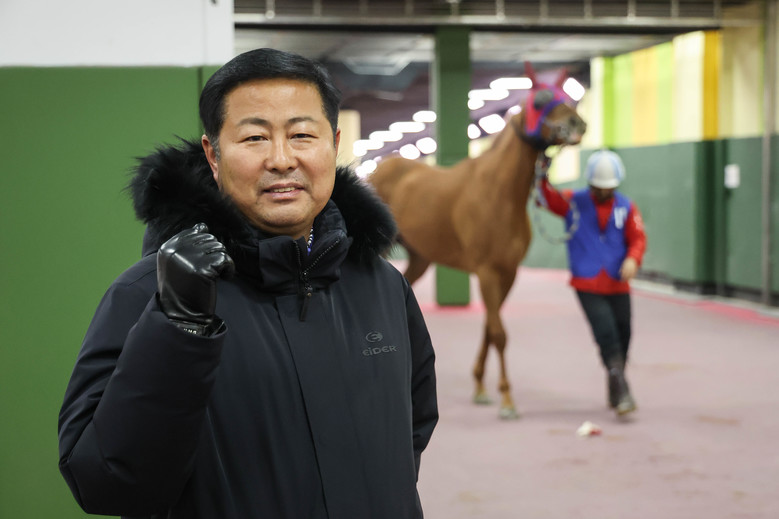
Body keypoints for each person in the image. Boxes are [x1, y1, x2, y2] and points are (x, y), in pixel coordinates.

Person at [58, 48, 438, 518]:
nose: (281, 159)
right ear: (213, 155)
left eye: (302, 135)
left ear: (334, 144)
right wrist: (178, 330)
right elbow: (107, 484)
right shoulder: (148, 295)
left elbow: (410, 431)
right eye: (255, 137)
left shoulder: (382, 287)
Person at [537, 149, 646, 416]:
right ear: (590, 184)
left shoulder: (626, 206)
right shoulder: (574, 202)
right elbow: (545, 198)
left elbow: (638, 238)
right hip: (587, 282)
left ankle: (615, 384)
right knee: (606, 333)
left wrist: (633, 259)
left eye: (608, 187)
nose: (603, 191)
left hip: (618, 282)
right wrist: (542, 173)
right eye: (598, 187)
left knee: (624, 334)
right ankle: (623, 391)